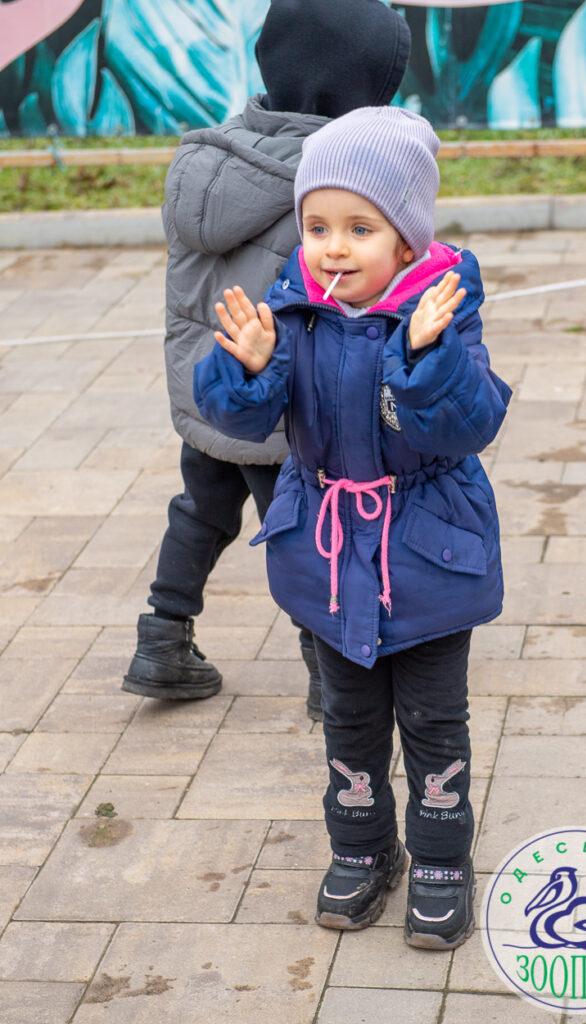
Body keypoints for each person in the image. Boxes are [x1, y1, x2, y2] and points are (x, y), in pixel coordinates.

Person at [193, 107, 512, 949]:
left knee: (435, 722)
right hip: (330, 561)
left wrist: (425, 359)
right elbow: (241, 419)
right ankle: (361, 847)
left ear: (406, 240)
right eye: (318, 225)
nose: (334, 246)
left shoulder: (443, 314)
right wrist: (248, 368)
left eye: (360, 228)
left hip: (428, 556)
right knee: (350, 718)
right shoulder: (290, 313)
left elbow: (468, 425)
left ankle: (441, 856)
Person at [121, 0, 412, 720]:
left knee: (200, 510)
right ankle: (326, 669)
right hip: (283, 408)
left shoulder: (209, 157)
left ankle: (163, 633)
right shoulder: (333, 180)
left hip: (207, 389)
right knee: (307, 530)